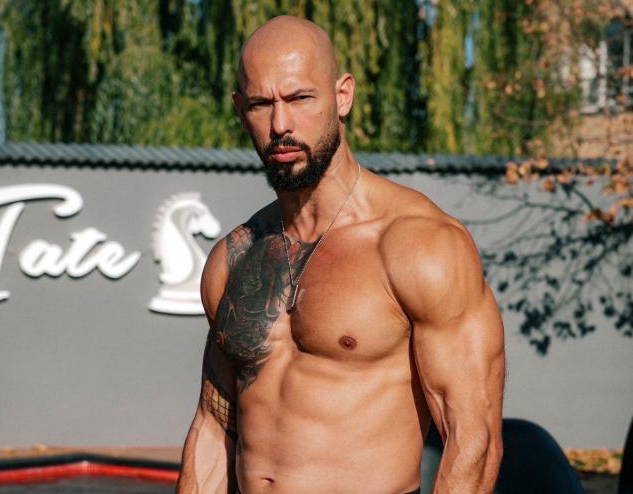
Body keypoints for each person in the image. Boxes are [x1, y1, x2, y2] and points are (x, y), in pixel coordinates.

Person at [178, 15, 505, 494]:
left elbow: (473, 440)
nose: (281, 124)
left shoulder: (417, 244)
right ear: (240, 110)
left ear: (343, 96)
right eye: (261, 104)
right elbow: (213, 428)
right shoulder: (234, 258)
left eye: (299, 98)